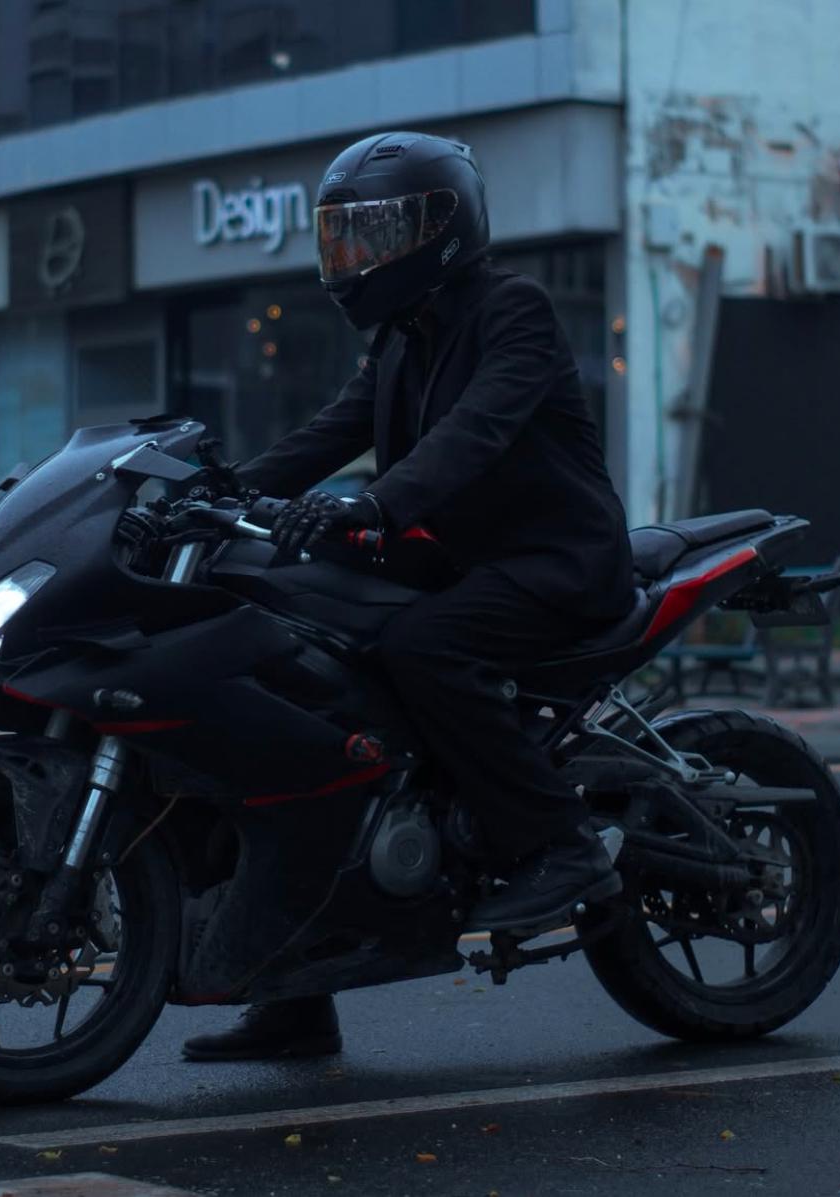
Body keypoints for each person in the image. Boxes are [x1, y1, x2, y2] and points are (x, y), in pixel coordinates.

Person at [182, 131, 635, 1062]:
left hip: (553, 561)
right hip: (464, 560)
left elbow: (473, 434)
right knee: (294, 631)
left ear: (442, 227)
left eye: (373, 233)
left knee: (421, 647)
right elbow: (324, 433)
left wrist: (375, 503)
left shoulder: (515, 311)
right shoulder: (400, 338)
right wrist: (205, 495)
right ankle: (298, 992)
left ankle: (561, 845)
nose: (355, 257)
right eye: (342, 237)